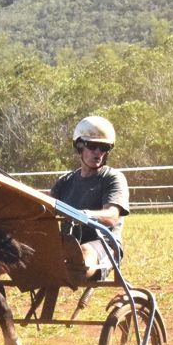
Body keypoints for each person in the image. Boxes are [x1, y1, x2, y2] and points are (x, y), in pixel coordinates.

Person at [50, 115, 130, 279]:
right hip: (68, 244)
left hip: (104, 245)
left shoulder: (113, 178)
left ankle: (73, 265)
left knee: (83, 254)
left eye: (104, 148)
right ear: (79, 146)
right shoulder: (65, 182)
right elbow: (45, 209)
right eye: (93, 146)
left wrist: (85, 215)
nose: (98, 152)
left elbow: (112, 216)